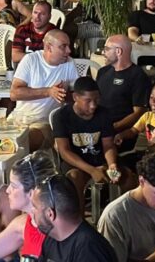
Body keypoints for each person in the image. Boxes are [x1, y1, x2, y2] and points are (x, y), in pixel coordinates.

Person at [52, 77, 134, 210]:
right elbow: (64, 151)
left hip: (102, 161)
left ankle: (124, 219)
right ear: (75, 97)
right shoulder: (61, 116)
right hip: (76, 164)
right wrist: (92, 170)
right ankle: (79, 223)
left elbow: (108, 145)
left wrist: (112, 164)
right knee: (74, 179)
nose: (93, 105)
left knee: (129, 179)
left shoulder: (104, 114)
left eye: (97, 100)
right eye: (88, 101)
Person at [11, 30, 79, 151]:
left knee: (22, 144)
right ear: (48, 47)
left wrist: (63, 95)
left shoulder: (69, 63)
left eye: (68, 46)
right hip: (18, 117)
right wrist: (49, 92)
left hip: (45, 121)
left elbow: (76, 97)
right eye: (63, 47)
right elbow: (14, 93)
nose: (69, 51)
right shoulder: (30, 60)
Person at [31, 175, 118, 261]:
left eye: (35, 207)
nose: (32, 211)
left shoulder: (90, 250)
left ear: (50, 214)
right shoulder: (51, 239)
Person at [96, 35, 152, 141]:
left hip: (120, 133)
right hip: (99, 127)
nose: (103, 53)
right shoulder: (102, 72)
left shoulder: (138, 76)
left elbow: (139, 112)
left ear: (118, 51)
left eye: (107, 49)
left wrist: (114, 127)